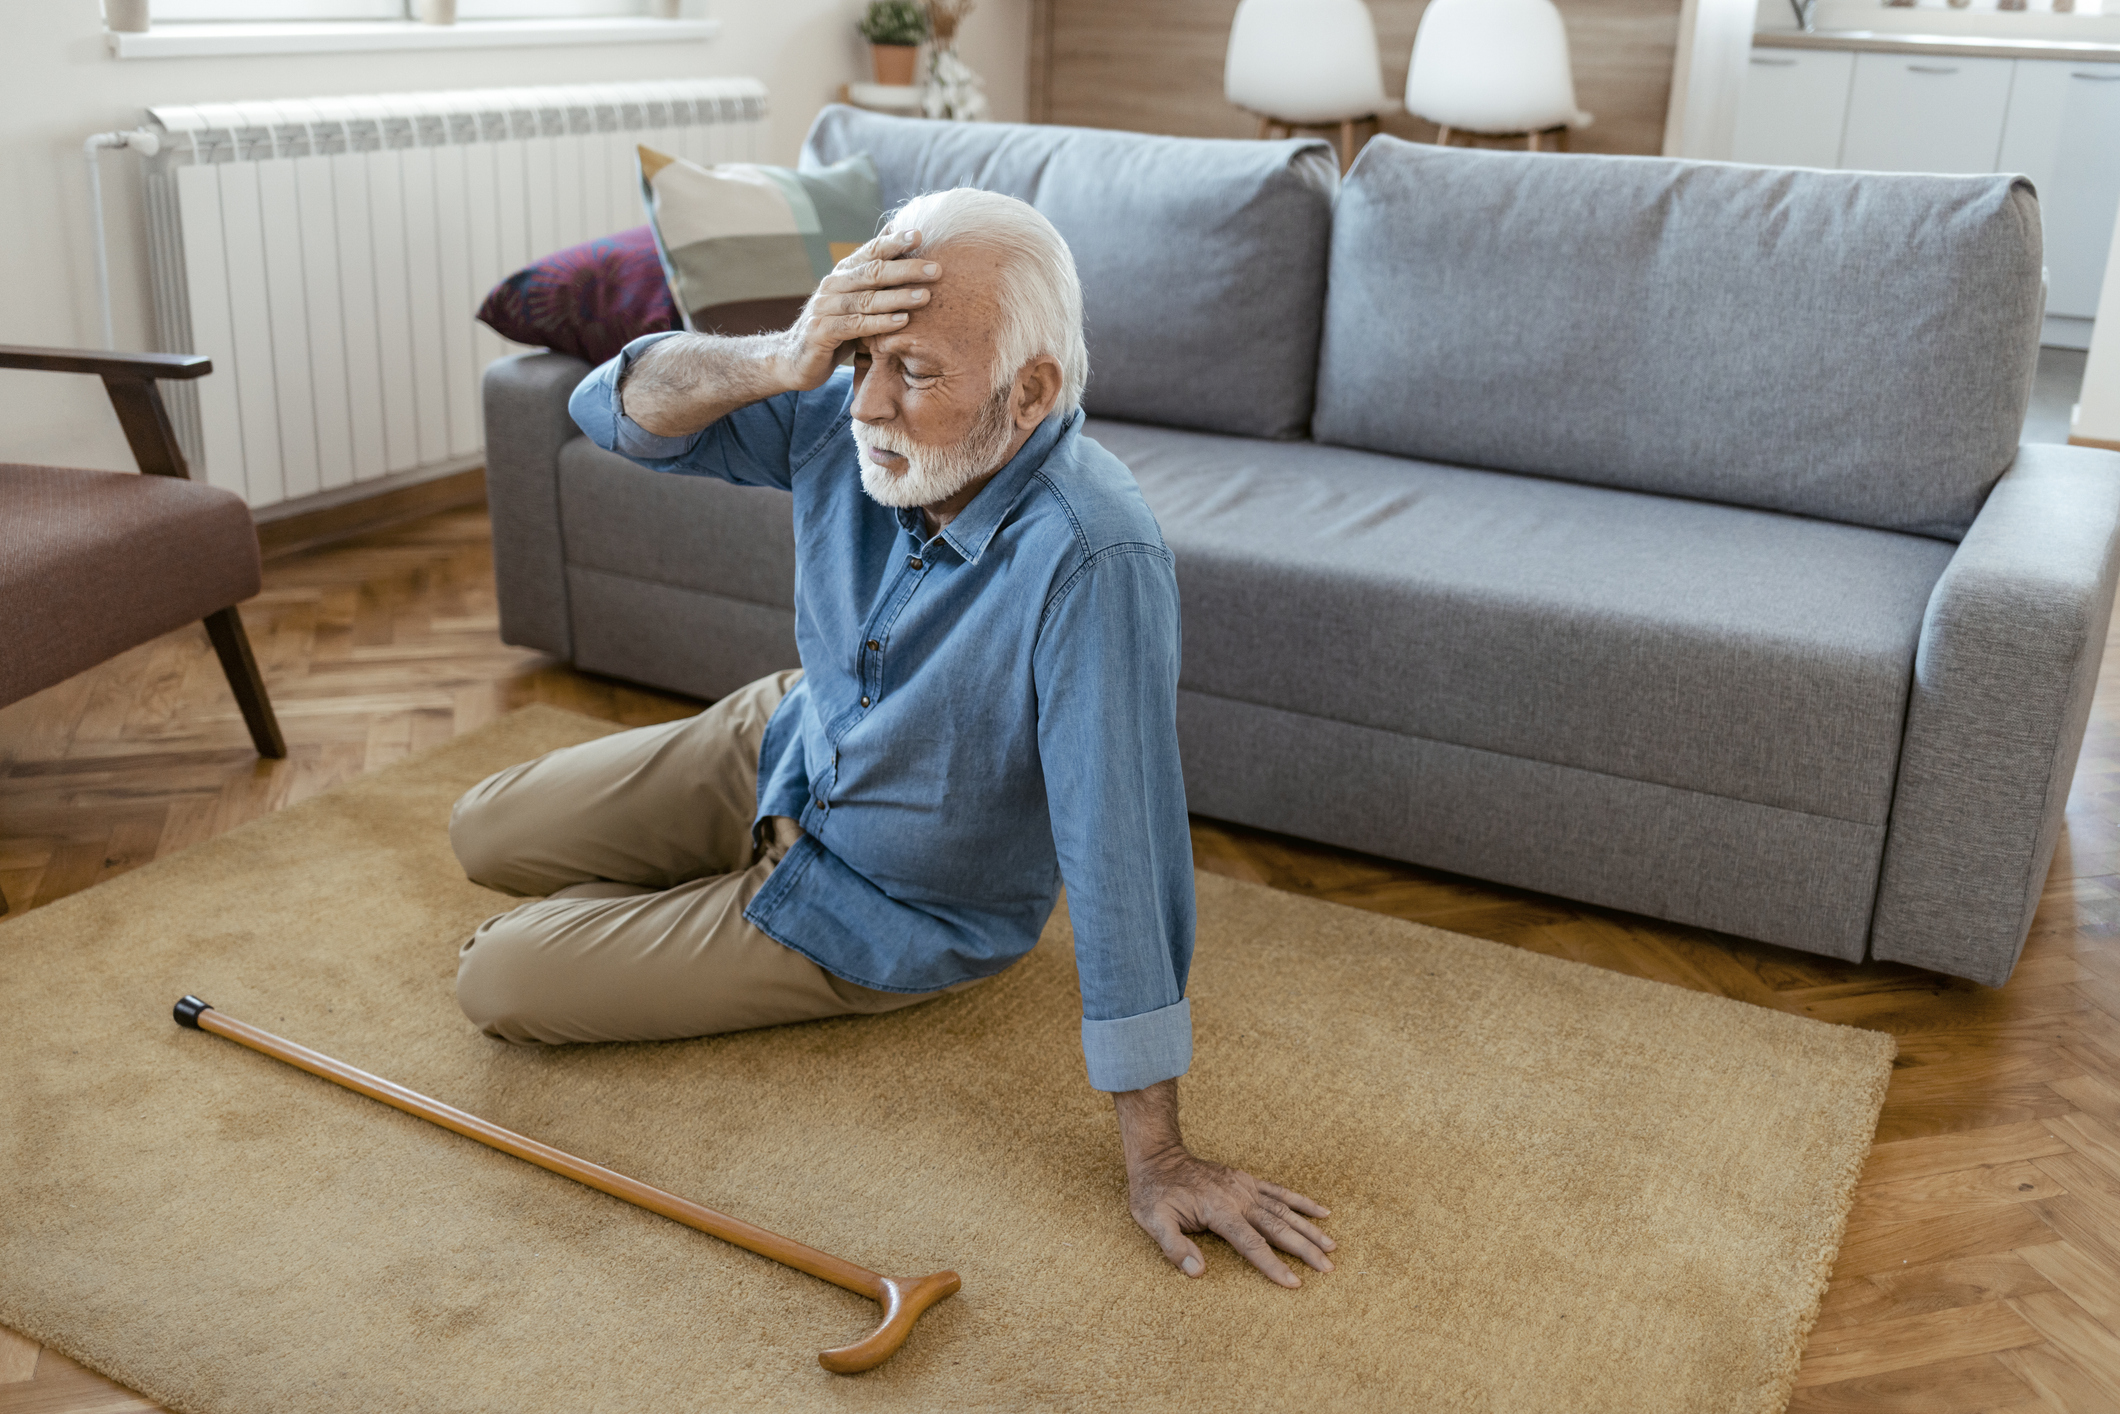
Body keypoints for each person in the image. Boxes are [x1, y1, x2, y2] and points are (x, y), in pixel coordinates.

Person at [447, 188, 1334, 1288]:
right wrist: (785, 355)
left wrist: (1158, 1156)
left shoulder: (1094, 559)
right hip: (794, 737)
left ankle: (709, 897)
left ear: (1028, 392)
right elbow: (609, 408)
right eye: (862, 357)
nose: (868, 403)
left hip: (886, 902)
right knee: (481, 830)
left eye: (913, 372)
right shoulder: (846, 408)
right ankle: (698, 872)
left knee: (497, 978)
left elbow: (1122, 846)